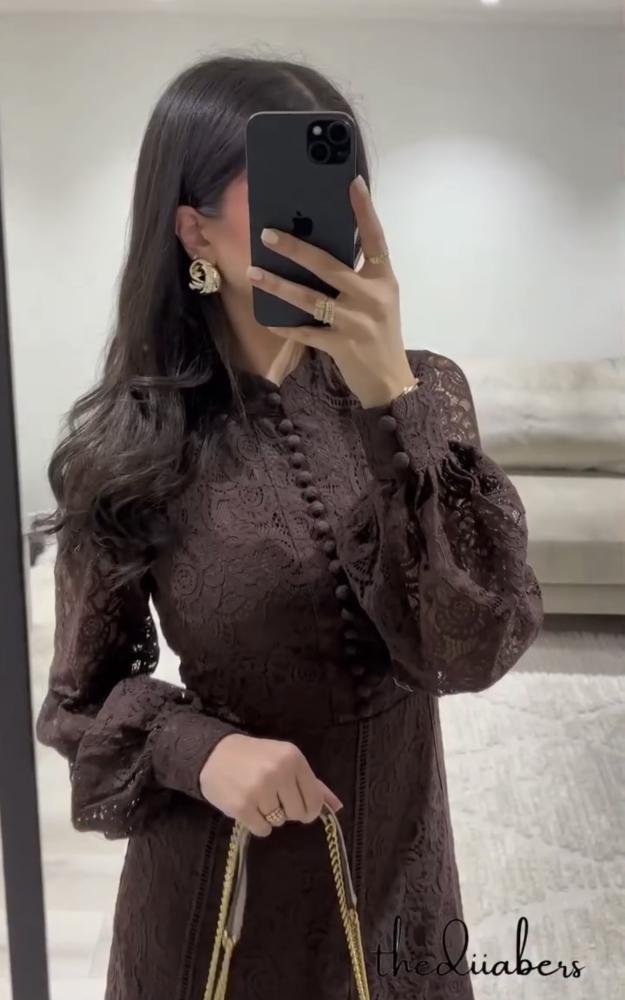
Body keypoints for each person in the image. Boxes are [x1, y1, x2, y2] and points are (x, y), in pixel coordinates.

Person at [36, 54, 544, 1000]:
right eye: (277, 187)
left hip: (401, 881)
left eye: (342, 180)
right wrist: (198, 749)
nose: (327, 215)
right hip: (221, 898)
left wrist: (389, 397)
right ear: (193, 229)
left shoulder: (424, 394)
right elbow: (77, 703)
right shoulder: (131, 443)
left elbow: (471, 649)